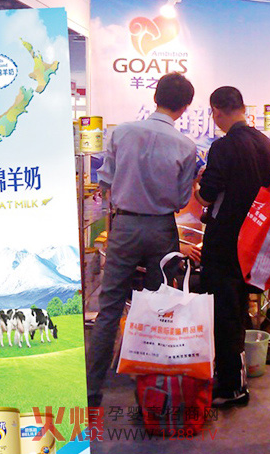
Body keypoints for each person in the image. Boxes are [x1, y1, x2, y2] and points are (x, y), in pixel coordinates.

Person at [87, 72, 197, 407]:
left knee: (109, 308)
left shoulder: (121, 133)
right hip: (162, 229)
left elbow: (105, 180)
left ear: (155, 97)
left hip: (124, 226)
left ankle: (91, 390)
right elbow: (181, 200)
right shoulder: (186, 146)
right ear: (185, 107)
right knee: (158, 308)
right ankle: (149, 397)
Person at [195, 86, 270, 407]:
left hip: (224, 241)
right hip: (255, 240)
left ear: (216, 111)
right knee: (240, 308)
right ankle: (238, 379)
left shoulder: (223, 146)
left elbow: (207, 196)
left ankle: (230, 386)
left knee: (223, 312)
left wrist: (198, 184)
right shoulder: (268, 145)